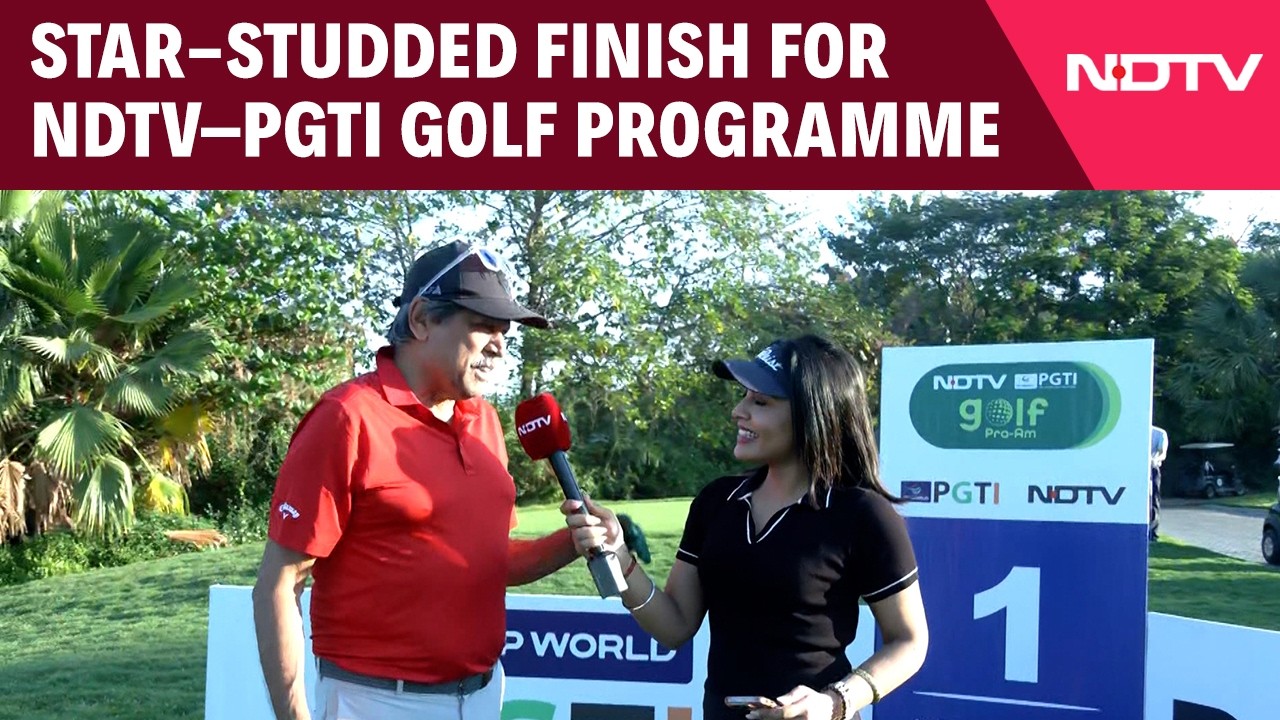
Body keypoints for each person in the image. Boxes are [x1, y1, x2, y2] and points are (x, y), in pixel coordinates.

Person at [252, 241, 581, 720]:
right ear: (422, 319)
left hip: (484, 693)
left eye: (504, 331)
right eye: (483, 325)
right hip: (376, 701)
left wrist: (572, 542)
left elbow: (487, 562)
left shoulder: (486, 421)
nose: (499, 345)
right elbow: (280, 585)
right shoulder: (347, 416)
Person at [563, 335, 929, 720]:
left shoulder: (862, 514)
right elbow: (674, 626)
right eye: (743, 397)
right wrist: (620, 557)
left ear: (812, 412)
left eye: (760, 402)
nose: (739, 412)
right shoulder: (716, 502)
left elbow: (909, 641)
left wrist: (835, 702)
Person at [1149, 426, 1168, 542]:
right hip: (1138, 469)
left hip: (1153, 468)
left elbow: (1162, 453)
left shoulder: (1160, 433)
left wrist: (1154, 460)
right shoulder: (1138, 430)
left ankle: (1152, 532)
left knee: (1154, 499)